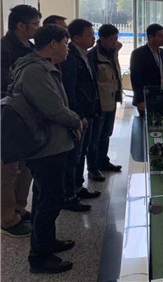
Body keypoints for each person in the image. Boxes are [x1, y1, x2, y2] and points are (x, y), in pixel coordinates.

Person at [10, 24, 82, 273]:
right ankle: (40, 257)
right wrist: (76, 120)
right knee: (49, 201)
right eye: (65, 43)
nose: (67, 49)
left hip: (52, 144)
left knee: (45, 198)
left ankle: (47, 242)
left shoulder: (43, 67)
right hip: (46, 147)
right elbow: (54, 109)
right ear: (53, 44)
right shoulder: (34, 71)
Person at [1, 4, 41, 238]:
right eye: (34, 24)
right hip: (10, 118)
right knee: (9, 170)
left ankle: (19, 207)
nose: (37, 28)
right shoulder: (4, 49)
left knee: (26, 167)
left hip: (30, 118)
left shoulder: (31, 48)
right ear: (20, 25)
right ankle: (7, 218)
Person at [60, 19, 102, 212]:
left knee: (82, 153)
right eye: (89, 35)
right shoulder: (70, 58)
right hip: (80, 115)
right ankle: (69, 195)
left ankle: (78, 187)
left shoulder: (86, 55)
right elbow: (70, 91)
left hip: (90, 112)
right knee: (73, 157)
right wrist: (80, 115)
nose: (93, 38)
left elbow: (91, 85)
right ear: (76, 38)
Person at [88, 24, 123, 181]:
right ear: (102, 39)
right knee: (95, 137)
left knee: (106, 134)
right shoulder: (93, 56)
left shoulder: (112, 52)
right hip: (99, 104)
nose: (115, 41)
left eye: (116, 38)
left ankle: (103, 161)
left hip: (111, 101)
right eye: (111, 39)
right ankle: (93, 168)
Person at [130, 24, 163, 116]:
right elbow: (136, 78)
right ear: (150, 37)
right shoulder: (138, 54)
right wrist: (140, 100)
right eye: (160, 36)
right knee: (147, 122)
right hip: (147, 98)